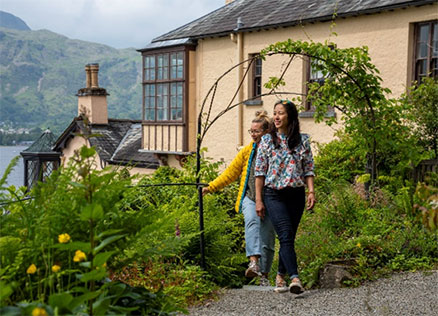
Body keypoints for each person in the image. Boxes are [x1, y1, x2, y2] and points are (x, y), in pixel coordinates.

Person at [203, 111, 276, 286]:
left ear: (266, 132)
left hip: (271, 199)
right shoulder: (246, 151)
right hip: (250, 197)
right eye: (251, 131)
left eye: (256, 131)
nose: (253, 135)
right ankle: (253, 262)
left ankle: (264, 275)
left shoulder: (274, 150)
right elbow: (231, 173)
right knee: (251, 222)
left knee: (267, 239)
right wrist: (211, 187)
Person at [254, 99, 315, 294]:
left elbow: (308, 169)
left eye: (281, 113)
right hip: (274, 194)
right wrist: (258, 199)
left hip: (296, 194)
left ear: (290, 116)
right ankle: (295, 278)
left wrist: (311, 192)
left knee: (289, 237)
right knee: (285, 234)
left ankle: (280, 274)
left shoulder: (303, 140)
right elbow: (260, 172)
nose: (276, 117)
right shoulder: (266, 140)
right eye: (275, 113)